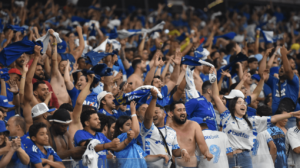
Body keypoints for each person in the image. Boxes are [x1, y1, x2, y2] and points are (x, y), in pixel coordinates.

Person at [213, 70, 300, 168]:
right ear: (233, 105)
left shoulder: (252, 120)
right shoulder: (226, 116)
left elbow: (273, 118)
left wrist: (292, 114)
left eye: (244, 103)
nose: (243, 105)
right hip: (229, 157)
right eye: (240, 102)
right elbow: (216, 97)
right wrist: (214, 77)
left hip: (245, 158)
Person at [140, 89, 191, 168]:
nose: (153, 115)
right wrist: (154, 98)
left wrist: (182, 151)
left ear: (164, 115)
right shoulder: (148, 128)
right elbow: (147, 117)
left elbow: (175, 151)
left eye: (156, 112)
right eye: (152, 112)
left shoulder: (172, 131)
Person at [113, 101, 169, 167]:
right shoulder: (120, 138)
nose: (131, 127)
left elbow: (145, 157)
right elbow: (136, 131)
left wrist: (159, 156)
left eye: (132, 124)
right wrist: (133, 113)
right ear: (120, 128)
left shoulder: (135, 145)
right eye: (128, 125)